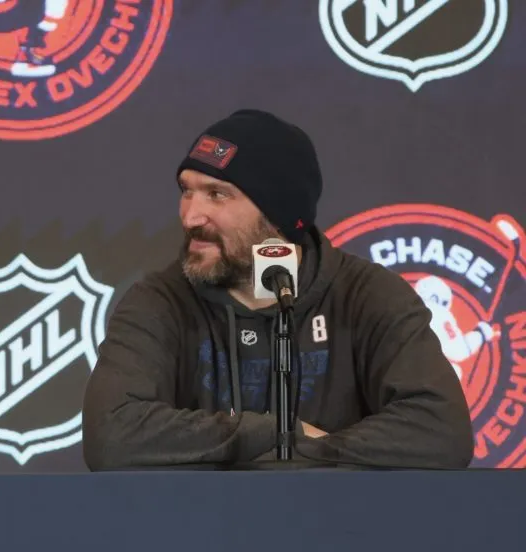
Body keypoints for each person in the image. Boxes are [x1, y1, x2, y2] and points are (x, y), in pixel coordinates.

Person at [82, 109, 474, 470]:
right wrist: (280, 434)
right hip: (203, 536)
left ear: (279, 216)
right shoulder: (159, 302)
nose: (190, 215)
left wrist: (303, 453)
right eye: (187, 190)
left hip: (339, 536)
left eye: (217, 194)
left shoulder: (368, 295)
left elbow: (441, 432)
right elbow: (112, 437)